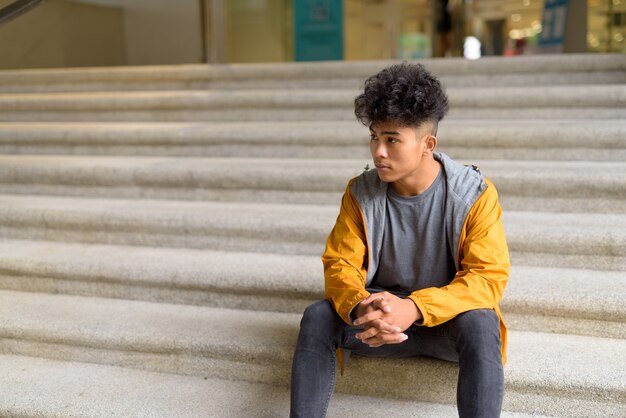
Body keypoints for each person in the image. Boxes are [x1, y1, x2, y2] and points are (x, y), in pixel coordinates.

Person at [290, 63, 510, 418]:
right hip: (377, 323)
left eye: (392, 139)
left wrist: (416, 308)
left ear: (428, 144)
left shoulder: (474, 194)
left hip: (444, 323)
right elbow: (340, 264)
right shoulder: (360, 192)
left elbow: (487, 278)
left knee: (481, 322)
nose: (378, 151)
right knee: (317, 317)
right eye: (374, 137)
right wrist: (362, 306)